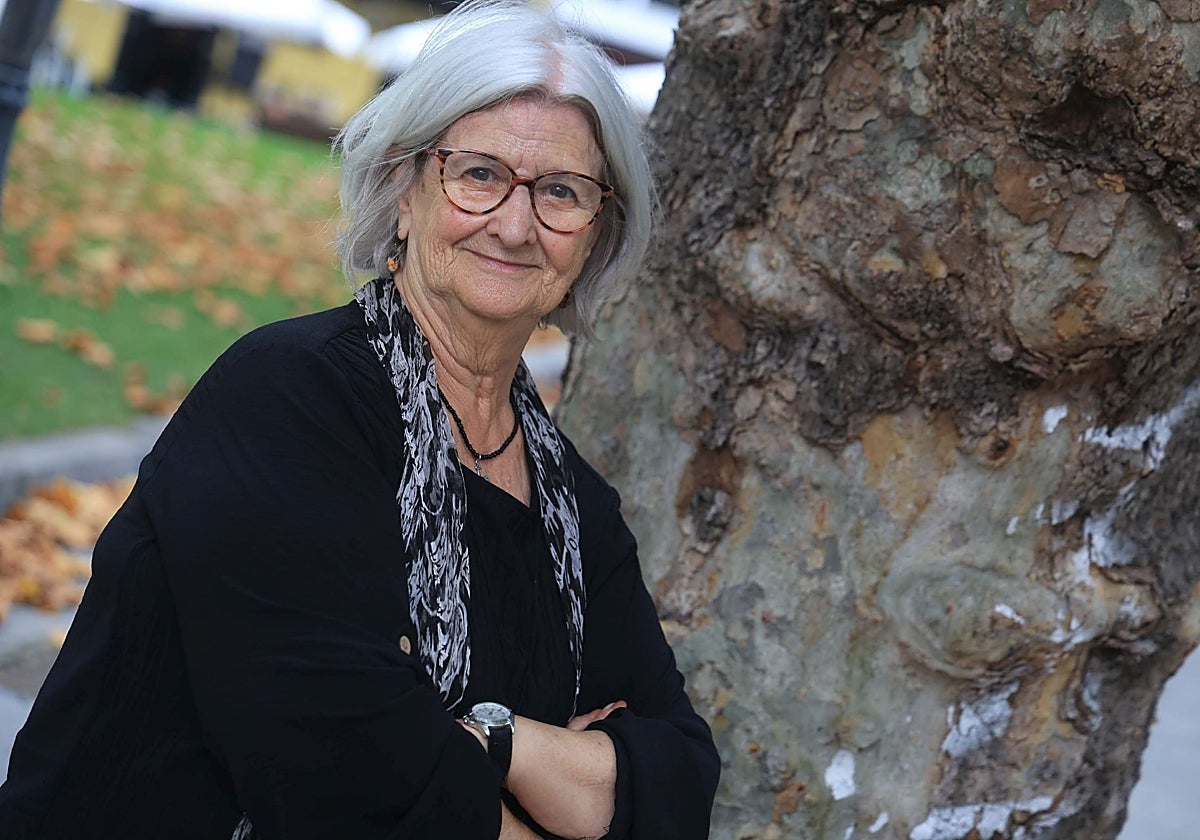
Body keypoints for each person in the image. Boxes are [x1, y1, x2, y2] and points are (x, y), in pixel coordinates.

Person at [0, 1, 719, 838]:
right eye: (480, 174)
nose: (517, 225)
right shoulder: (286, 399)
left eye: (561, 191)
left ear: (595, 236)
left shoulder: (574, 502)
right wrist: (560, 781)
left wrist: (486, 735)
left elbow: (679, 781)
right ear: (404, 192)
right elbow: (338, 774)